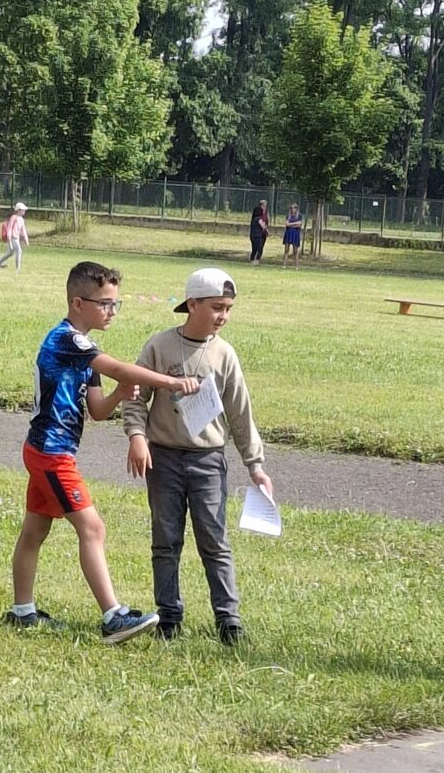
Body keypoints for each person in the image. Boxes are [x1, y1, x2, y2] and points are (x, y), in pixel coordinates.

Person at [7, 261, 201, 644]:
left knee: (35, 531)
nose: (112, 311)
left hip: (49, 450)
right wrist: (172, 382)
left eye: (115, 304)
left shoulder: (85, 349)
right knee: (93, 528)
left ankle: (22, 611)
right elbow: (119, 368)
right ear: (78, 303)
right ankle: (113, 617)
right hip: (51, 453)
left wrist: (118, 394)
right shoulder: (67, 340)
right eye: (105, 303)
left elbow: (96, 410)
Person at [123, 268, 273, 645]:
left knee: (214, 539)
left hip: (208, 461)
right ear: (192, 304)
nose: (223, 316)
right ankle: (169, 616)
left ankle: (228, 619)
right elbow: (135, 398)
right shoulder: (160, 346)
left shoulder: (224, 354)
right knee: (165, 539)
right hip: (164, 459)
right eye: (217, 307)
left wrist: (255, 465)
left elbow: (240, 414)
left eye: (228, 309)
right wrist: (137, 436)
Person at [0, 202, 30, 271]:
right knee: (19, 251)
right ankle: (18, 268)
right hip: (12, 237)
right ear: (18, 210)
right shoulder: (14, 217)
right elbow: (9, 228)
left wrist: (26, 238)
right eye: (22, 210)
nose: (24, 211)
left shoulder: (21, 219)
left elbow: (23, 229)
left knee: (10, 252)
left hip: (16, 238)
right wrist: (9, 238)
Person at [249, 200, 269, 265]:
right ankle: (256, 261)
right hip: (258, 235)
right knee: (260, 248)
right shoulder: (259, 219)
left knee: (254, 249)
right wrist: (266, 229)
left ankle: (252, 261)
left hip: (253, 235)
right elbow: (263, 226)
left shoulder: (254, 219)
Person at [282, 203, 302, 269]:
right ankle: (284, 265)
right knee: (286, 250)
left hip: (295, 234)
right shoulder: (288, 215)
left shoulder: (299, 215)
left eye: (294, 207)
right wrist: (295, 224)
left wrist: (290, 224)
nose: (292, 209)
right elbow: (286, 224)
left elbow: (299, 224)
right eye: (291, 208)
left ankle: (296, 266)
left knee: (295, 251)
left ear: (296, 209)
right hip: (288, 233)